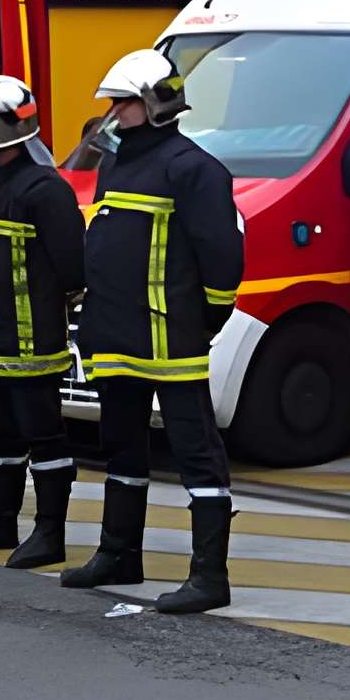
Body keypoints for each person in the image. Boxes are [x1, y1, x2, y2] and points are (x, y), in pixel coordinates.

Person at [64, 48, 243, 613]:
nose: (114, 113)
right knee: (121, 444)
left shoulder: (195, 169)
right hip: (116, 332)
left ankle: (209, 577)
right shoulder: (118, 163)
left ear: (156, 105)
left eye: (124, 102)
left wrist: (206, 316)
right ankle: (119, 553)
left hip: (170, 336)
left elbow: (222, 255)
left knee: (196, 452)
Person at [0, 74, 85, 567]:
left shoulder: (45, 190)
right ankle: (1, 519)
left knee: (43, 437)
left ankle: (50, 533)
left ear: (1, 129)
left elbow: (72, 267)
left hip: (30, 342)